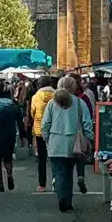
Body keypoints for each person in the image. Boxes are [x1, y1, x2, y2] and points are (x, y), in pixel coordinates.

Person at [42, 74, 93, 212]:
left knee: (58, 172)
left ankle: (61, 197)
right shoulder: (79, 103)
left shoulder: (52, 103)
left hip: (55, 142)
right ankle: (68, 201)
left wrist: (47, 138)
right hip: (73, 144)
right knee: (68, 173)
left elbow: (45, 124)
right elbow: (87, 123)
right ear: (73, 87)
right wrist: (89, 138)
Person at [28, 75, 57, 188]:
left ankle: (42, 184)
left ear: (39, 85)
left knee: (42, 158)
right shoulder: (56, 95)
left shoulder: (36, 96)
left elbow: (32, 112)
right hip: (54, 130)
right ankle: (55, 181)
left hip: (40, 130)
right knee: (55, 157)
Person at [0, 82, 21, 193]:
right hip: (10, 134)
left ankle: (0, 185)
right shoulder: (13, 105)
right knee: (8, 159)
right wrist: (22, 135)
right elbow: (20, 122)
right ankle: (9, 175)